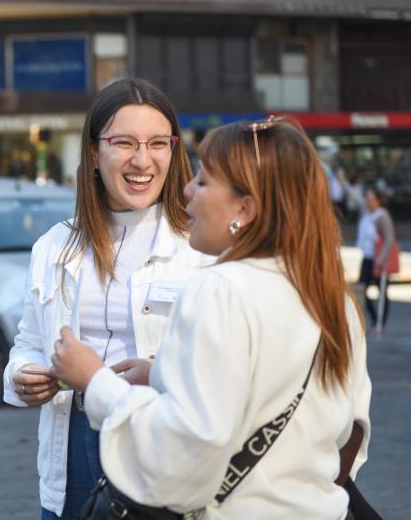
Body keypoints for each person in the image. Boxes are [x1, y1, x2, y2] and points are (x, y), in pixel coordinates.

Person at [51, 117, 372, 518]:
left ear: (245, 208)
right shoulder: (334, 299)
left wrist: (94, 380)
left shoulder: (221, 289)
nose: (186, 189)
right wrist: (166, 375)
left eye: (203, 181)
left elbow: (184, 457)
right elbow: (348, 434)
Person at [2, 78, 211, 519]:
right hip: (74, 439)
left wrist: (160, 374)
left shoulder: (199, 250)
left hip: (158, 439)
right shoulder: (53, 247)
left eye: (158, 143)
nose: (142, 160)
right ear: (94, 153)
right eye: (125, 143)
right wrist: (23, 376)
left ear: (174, 152)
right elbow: (28, 343)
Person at [364, 188, 396, 329]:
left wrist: (382, 258)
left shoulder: (382, 216)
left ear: (378, 201)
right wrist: (342, 180)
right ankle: (374, 318)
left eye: (371, 200)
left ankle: (380, 323)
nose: (368, 202)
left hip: (378, 259)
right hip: (367, 257)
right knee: (361, 289)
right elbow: (354, 197)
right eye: (368, 199)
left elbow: (390, 238)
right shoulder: (367, 214)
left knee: (381, 292)